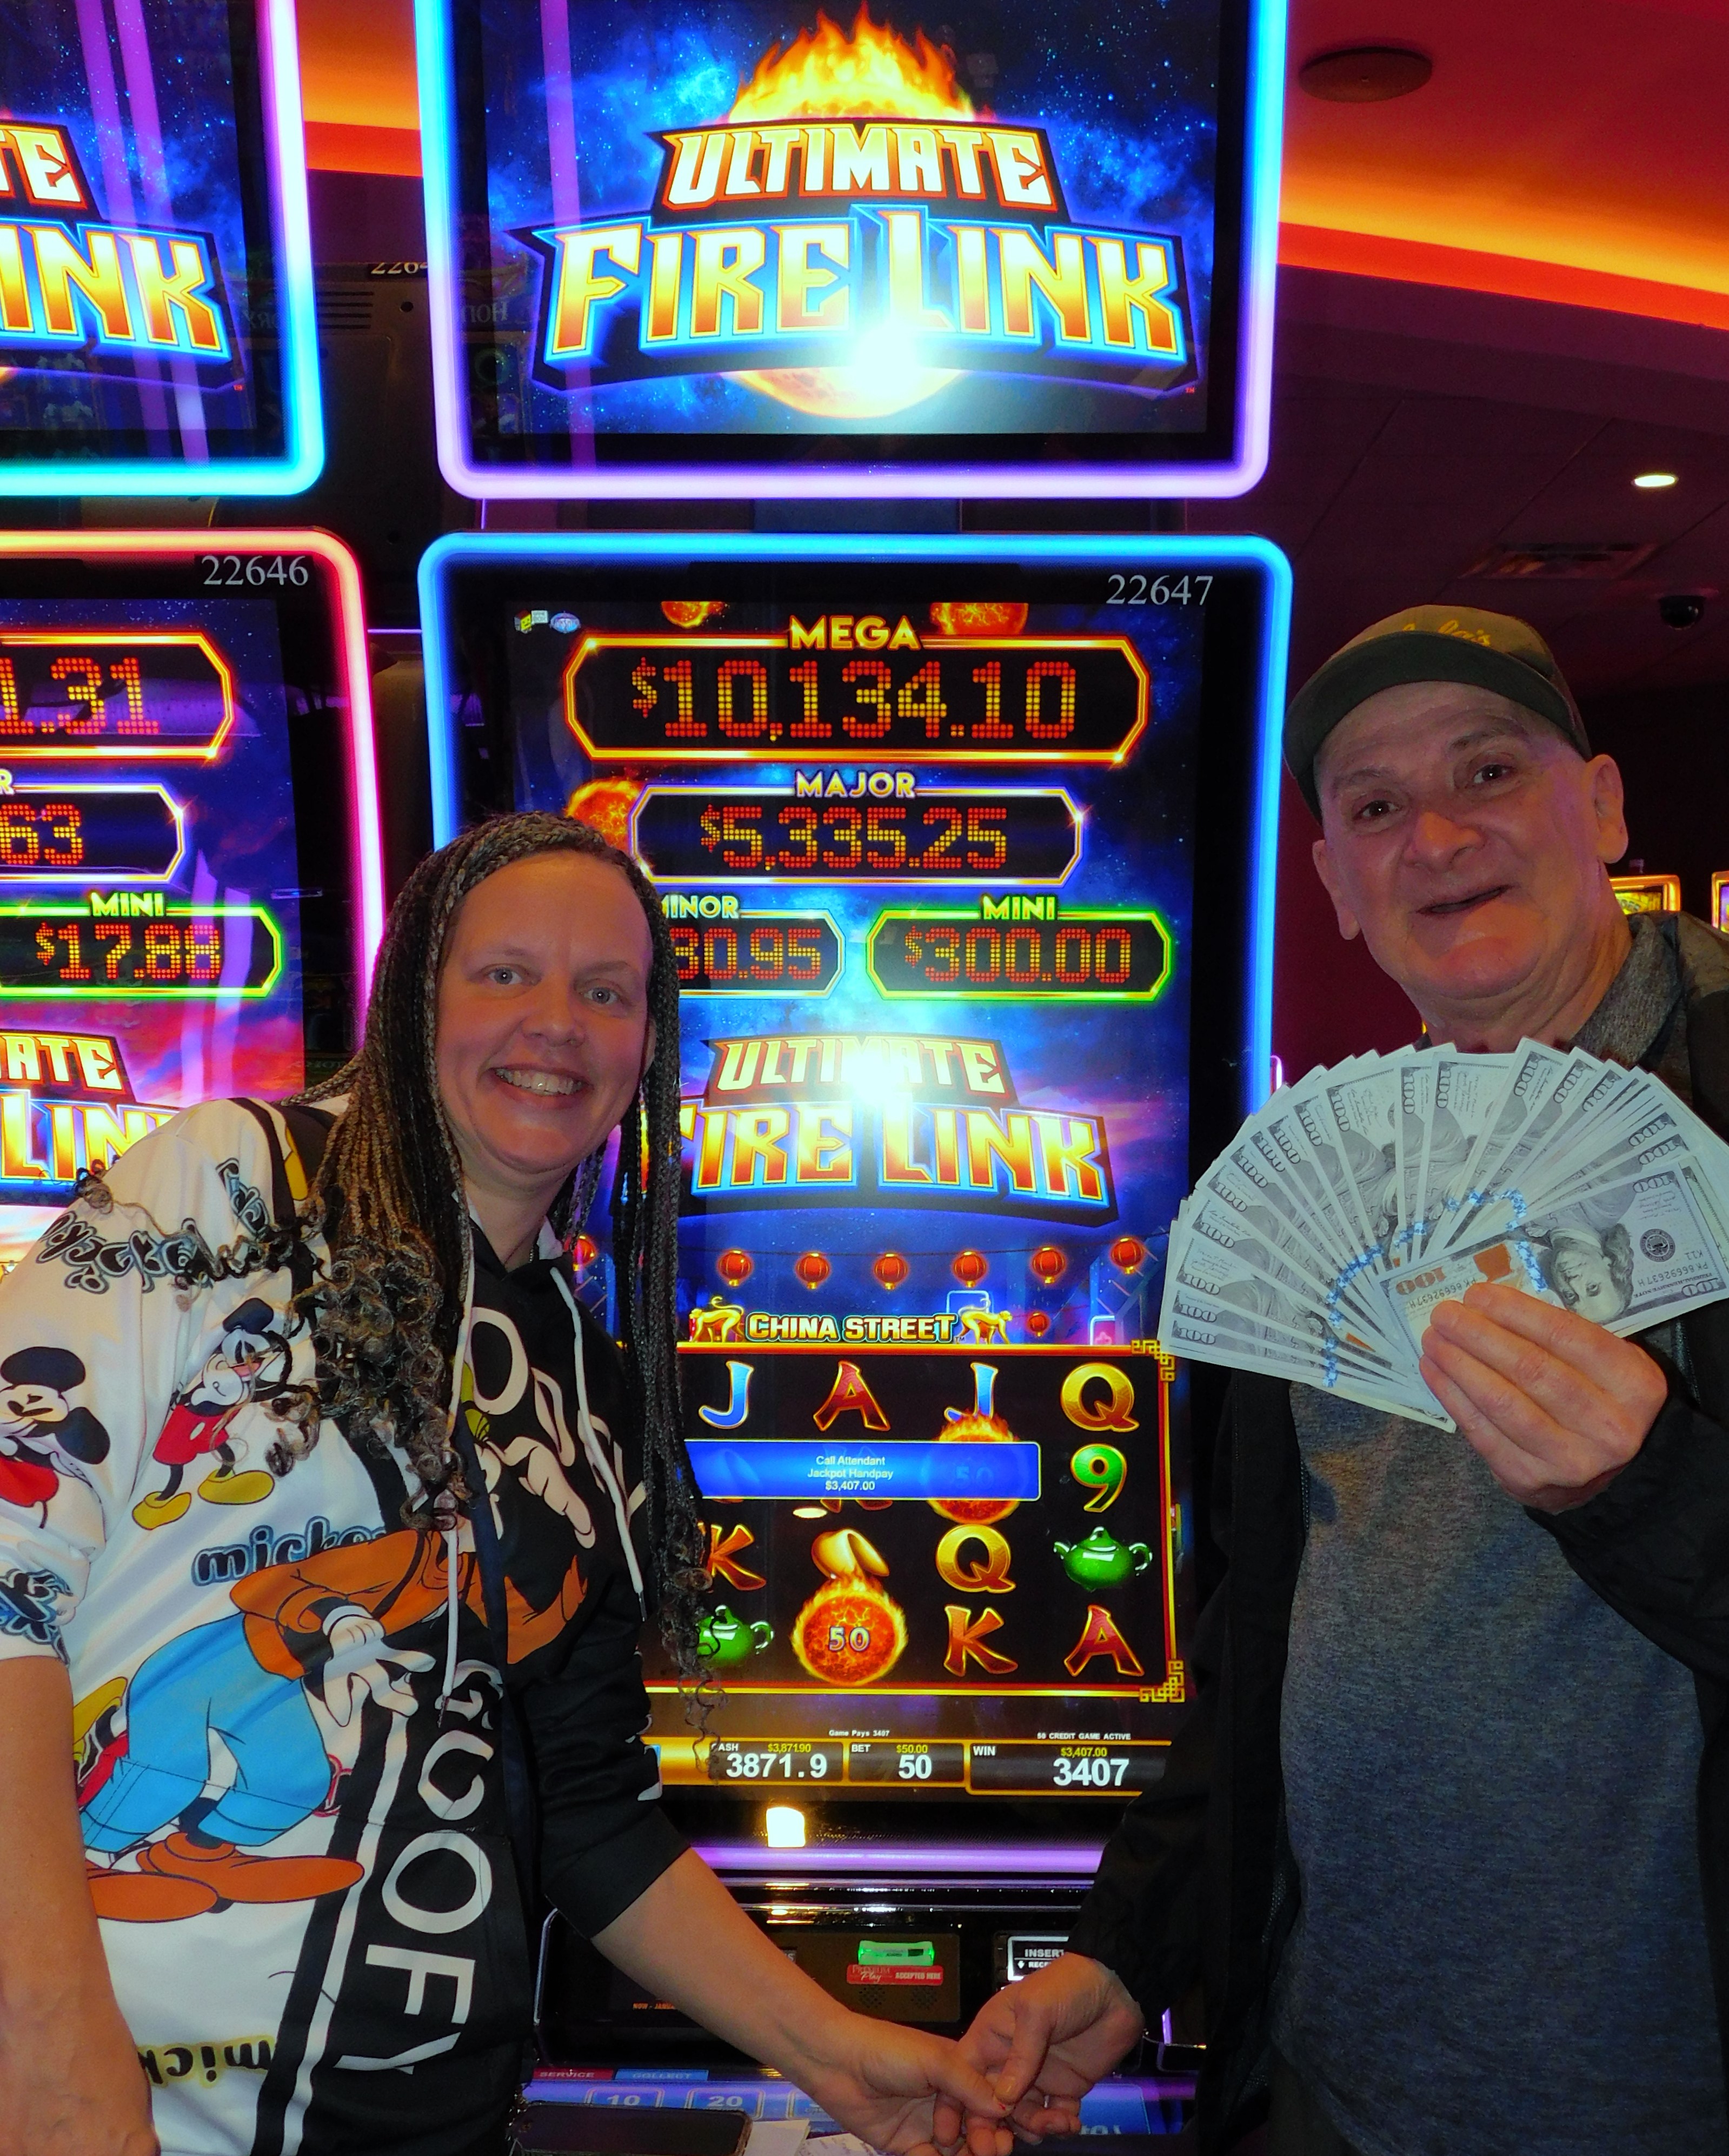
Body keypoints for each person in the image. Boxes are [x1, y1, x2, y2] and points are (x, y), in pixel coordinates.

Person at [0, 811, 1005, 2156]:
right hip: (136, 2104)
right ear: (418, 996)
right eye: (506, 973)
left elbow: (589, 1809)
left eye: (608, 992)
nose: (558, 1025)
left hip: (426, 2117)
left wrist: (836, 2051)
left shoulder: (585, 1372)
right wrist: (46, 2042)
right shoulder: (233, 1183)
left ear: (649, 1046)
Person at [939, 607, 1729, 2156]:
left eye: (1486, 770)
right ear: (1336, 888)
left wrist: (1645, 1491)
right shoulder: (1323, 1177)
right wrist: (1130, 1951)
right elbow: (1264, 1644)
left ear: (1603, 806)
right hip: (1332, 2080)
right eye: (1374, 805)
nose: (1434, 835)